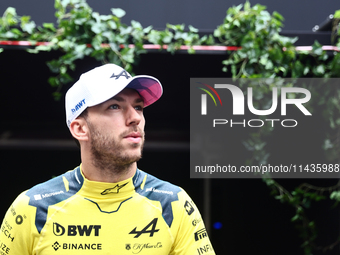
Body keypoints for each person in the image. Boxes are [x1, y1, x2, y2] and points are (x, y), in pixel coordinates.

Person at [0, 63, 215, 254]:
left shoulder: (174, 203)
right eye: (114, 106)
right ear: (80, 128)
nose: (135, 118)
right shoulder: (31, 208)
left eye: (138, 107)